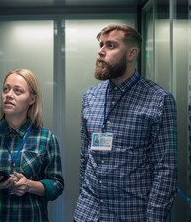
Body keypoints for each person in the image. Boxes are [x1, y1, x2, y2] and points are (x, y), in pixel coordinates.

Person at [74, 24, 177, 221]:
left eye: (110, 46)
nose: (100, 51)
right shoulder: (90, 97)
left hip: (130, 213)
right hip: (88, 214)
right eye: (101, 44)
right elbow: (85, 158)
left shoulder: (159, 99)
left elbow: (165, 171)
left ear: (131, 54)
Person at [0, 68, 64, 221]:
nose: (9, 95)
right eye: (6, 89)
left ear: (32, 99)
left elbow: (56, 185)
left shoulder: (46, 138)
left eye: (18, 91)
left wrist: (29, 185)